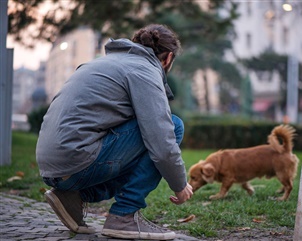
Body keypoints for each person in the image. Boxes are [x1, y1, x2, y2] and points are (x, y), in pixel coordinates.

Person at [36, 24, 193, 240]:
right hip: (77, 162)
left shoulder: (103, 63)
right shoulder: (144, 70)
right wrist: (180, 184)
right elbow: (162, 141)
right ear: (167, 58)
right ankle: (124, 216)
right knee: (174, 126)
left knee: (146, 137)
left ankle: (73, 196)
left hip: (52, 167)